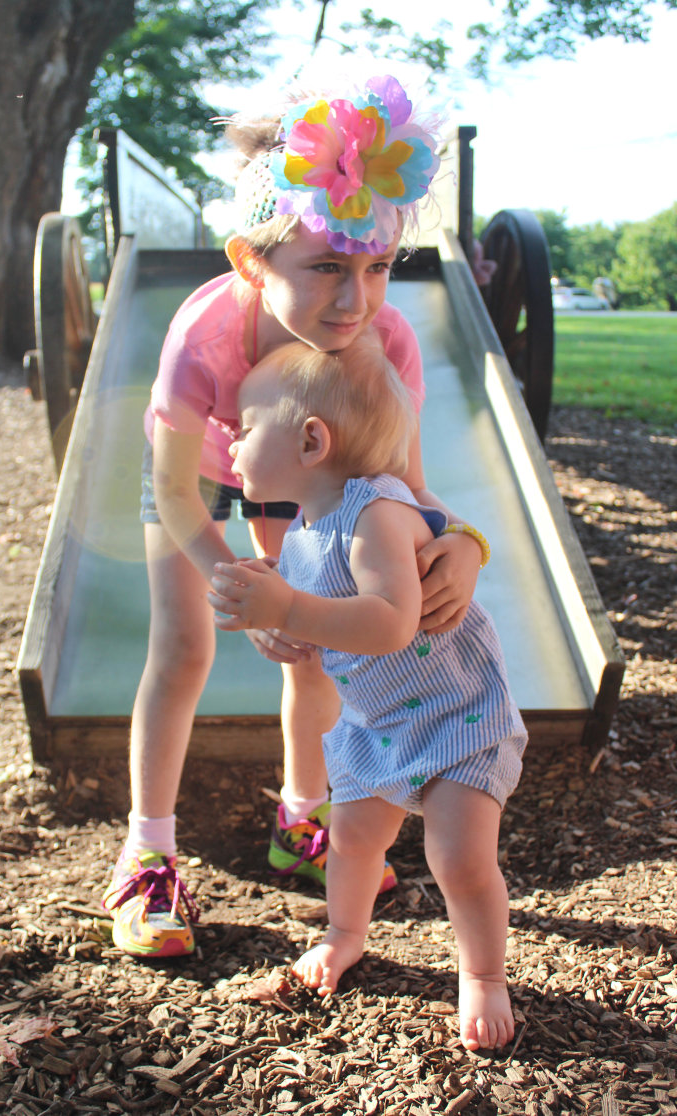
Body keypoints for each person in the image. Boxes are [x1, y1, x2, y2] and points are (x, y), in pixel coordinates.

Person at [101, 71, 488, 961]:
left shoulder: (381, 344)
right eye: (325, 268)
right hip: (199, 479)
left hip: (308, 478)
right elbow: (170, 489)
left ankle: (303, 822)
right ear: (251, 262)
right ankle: (147, 852)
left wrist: (464, 544)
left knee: (318, 649)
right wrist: (236, 582)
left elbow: (412, 489)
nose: (354, 301)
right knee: (185, 645)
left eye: (376, 268)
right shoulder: (204, 338)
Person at [208, 336, 528, 1052]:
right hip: (376, 724)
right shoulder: (298, 533)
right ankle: (346, 934)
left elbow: (388, 623)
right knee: (350, 838)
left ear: (312, 441)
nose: (231, 445)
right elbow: (319, 620)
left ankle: (482, 974)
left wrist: (290, 610)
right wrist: (279, 622)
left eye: (246, 428)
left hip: (454, 715)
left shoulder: (378, 510)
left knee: (459, 858)